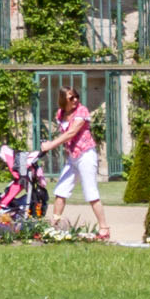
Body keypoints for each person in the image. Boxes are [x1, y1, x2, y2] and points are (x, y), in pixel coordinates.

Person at [35, 84, 110, 238]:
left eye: (76, 96)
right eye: (71, 97)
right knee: (60, 191)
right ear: (64, 99)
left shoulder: (82, 111)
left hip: (86, 155)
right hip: (73, 157)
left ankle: (104, 229)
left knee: (91, 192)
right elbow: (66, 137)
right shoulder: (60, 114)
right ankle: (54, 226)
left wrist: (50, 145)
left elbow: (71, 133)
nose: (75, 99)